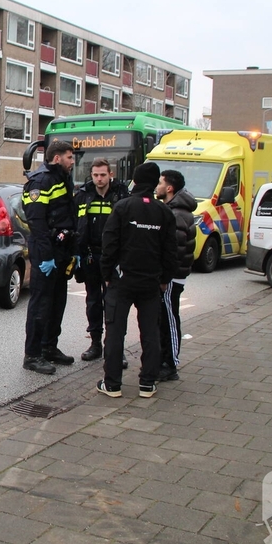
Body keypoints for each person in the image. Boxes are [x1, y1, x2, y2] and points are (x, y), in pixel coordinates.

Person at [98, 161, 177, 399]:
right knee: (150, 332)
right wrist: (164, 278)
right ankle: (147, 383)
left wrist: (107, 275)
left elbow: (109, 244)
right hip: (151, 282)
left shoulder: (122, 207)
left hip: (122, 281)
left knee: (114, 332)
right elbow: (170, 251)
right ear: (154, 184)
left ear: (135, 179)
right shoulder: (164, 212)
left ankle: (112, 384)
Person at [21, 140, 78, 374]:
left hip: (60, 251)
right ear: (57, 158)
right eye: (69, 157)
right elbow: (37, 222)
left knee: (57, 303)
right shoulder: (40, 182)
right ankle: (32, 355)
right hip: (46, 252)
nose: (73, 161)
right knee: (41, 305)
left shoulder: (62, 179)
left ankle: (49, 347)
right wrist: (45, 256)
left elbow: (67, 215)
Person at [75, 158, 131, 367]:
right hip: (90, 256)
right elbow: (76, 224)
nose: (99, 179)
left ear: (110, 175)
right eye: (95, 175)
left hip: (114, 258)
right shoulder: (83, 195)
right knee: (93, 301)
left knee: (114, 304)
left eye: (103, 175)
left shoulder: (121, 195)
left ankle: (115, 347)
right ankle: (96, 344)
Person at [155, 169, 196, 381]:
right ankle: (164, 359)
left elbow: (175, 250)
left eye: (160, 183)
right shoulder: (172, 209)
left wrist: (164, 276)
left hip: (171, 277)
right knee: (164, 318)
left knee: (170, 318)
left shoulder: (176, 213)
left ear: (169, 188)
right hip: (170, 276)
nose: (157, 186)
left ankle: (170, 364)